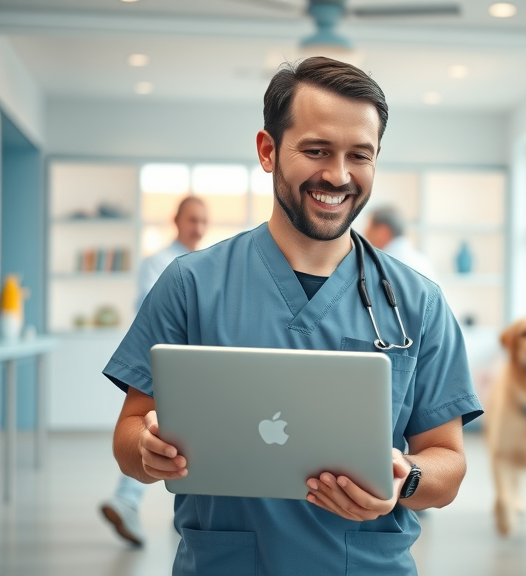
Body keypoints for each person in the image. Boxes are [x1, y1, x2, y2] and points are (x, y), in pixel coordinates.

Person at [103, 57, 482, 575]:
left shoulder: (418, 303)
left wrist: (406, 479)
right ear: (268, 150)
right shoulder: (190, 285)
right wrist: (145, 451)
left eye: (360, 156)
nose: (339, 175)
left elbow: (448, 463)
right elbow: (129, 434)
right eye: (317, 150)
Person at [99, 195, 208, 547]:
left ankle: (155, 507)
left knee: (181, 443)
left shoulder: (206, 267)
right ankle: (128, 502)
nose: (199, 227)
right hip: (164, 369)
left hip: (199, 370)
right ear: (176, 221)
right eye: (193, 219)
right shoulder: (160, 264)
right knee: (153, 434)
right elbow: (159, 318)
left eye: (203, 221)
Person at [363, 205, 437, 281]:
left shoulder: (384, 264)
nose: (365, 233)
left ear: (382, 231)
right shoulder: (422, 261)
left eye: (369, 228)